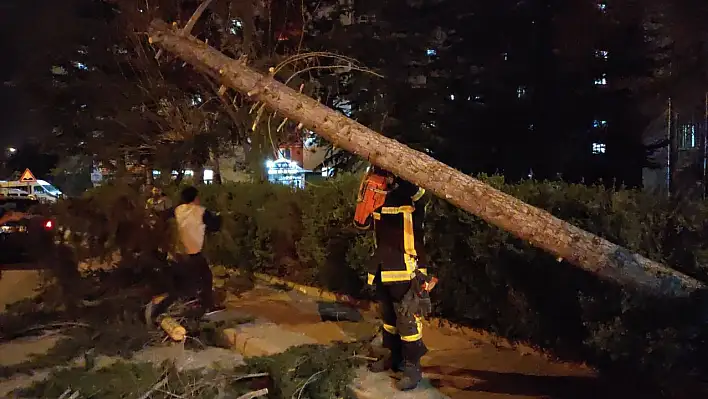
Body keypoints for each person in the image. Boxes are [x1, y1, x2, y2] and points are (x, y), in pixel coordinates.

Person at [354, 166, 434, 391]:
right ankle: (393, 357)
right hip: (381, 268)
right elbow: (361, 224)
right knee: (388, 319)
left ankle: (412, 367)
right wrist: (364, 200)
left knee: (408, 320)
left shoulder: (414, 196)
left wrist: (396, 171)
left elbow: (417, 190)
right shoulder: (379, 195)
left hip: (407, 268)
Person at [148, 186, 223, 321]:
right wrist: (220, 216)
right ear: (196, 197)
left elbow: (161, 218)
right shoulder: (201, 211)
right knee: (206, 277)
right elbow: (215, 226)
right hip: (193, 255)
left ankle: (171, 307)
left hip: (176, 255)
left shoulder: (176, 210)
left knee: (181, 285)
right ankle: (208, 305)